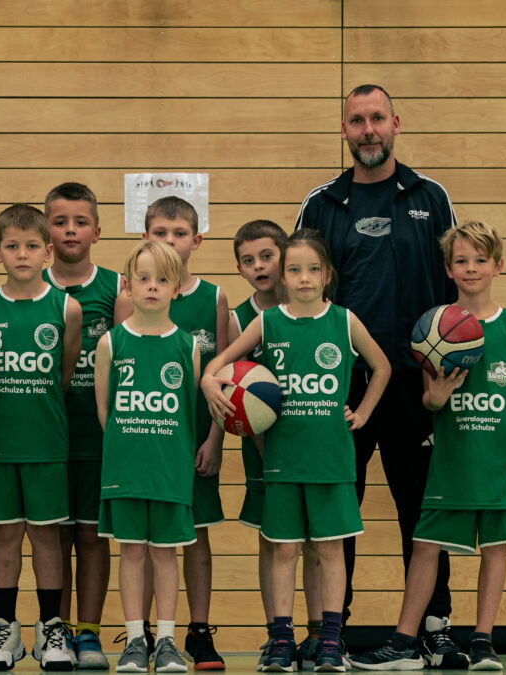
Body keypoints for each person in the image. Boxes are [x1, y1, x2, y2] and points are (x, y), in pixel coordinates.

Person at [294, 84, 464, 667]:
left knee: (422, 507)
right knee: (336, 510)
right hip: (335, 389)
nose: (368, 130)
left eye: (377, 119)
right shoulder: (321, 205)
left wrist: (448, 378)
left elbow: (456, 293)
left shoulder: (430, 196)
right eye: (356, 120)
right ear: (343, 130)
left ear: (397, 122)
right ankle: (329, 631)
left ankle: (434, 627)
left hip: (416, 386)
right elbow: (295, 291)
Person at [350, 221, 506, 671]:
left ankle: (482, 640)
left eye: (480, 260)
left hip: (500, 462)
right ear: (448, 269)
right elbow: (429, 399)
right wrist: (435, 397)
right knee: (425, 544)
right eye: (461, 261)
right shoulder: (433, 326)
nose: (471, 268)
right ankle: (403, 641)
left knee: (495, 550)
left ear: (498, 265)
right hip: (449, 460)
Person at [203, 229, 391, 672]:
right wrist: (211, 380)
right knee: (284, 550)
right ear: (283, 277)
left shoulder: (344, 320)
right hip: (282, 460)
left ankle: (329, 639)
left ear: (326, 275)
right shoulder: (268, 323)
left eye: (312, 270)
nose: (303, 278)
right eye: (294, 270)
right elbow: (219, 362)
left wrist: (363, 413)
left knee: (329, 550)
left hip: (331, 461)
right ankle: (282, 639)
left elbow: (381, 366)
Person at [0, 204, 83, 672]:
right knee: (5, 536)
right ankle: (5, 630)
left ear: (47, 251)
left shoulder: (67, 307)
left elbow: (64, 372)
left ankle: (51, 629)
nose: (22, 254)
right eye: (12, 246)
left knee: (47, 537)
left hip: (46, 442)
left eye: (32, 246)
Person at [95, 240, 199, 674]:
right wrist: (128, 446)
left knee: (165, 554)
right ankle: (135, 640)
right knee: (132, 552)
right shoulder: (111, 343)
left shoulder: (188, 345)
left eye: (162, 279)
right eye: (143, 278)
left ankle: (168, 642)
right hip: (126, 469)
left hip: (169, 470)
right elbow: (106, 412)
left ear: (176, 287)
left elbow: (189, 410)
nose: (152, 286)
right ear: (128, 285)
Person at [43, 181, 132, 669]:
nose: (70, 230)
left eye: (80, 221)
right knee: (54, 536)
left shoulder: (117, 288)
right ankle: (54, 634)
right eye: (60, 222)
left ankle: (90, 633)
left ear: (97, 230)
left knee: (93, 538)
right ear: (46, 230)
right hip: (46, 438)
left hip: (97, 435)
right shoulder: (29, 287)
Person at [139, 196, 229, 668]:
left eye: (178, 233)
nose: (168, 241)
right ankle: (153, 633)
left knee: (196, 536)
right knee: (152, 538)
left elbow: (224, 375)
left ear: (196, 241)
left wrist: (214, 439)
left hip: (196, 441)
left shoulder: (214, 297)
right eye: (159, 232)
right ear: (144, 238)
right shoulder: (131, 294)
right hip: (149, 438)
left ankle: (198, 629)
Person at [227, 220, 286, 668]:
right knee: (272, 541)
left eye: (266, 255)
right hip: (263, 450)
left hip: (312, 446)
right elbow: (227, 381)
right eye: (248, 260)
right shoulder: (239, 319)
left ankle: (324, 634)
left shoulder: (320, 309)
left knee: (321, 545)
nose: (259, 266)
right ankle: (276, 634)